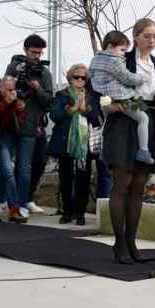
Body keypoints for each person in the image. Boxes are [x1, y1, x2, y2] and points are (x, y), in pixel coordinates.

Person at [102, 18, 155, 264]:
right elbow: (103, 91)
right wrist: (111, 105)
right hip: (123, 124)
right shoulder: (122, 60)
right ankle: (119, 242)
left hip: (148, 123)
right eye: (146, 36)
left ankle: (132, 242)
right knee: (122, 183)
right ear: (136, 36)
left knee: (139, 186)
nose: (151, 41)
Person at [3, 35, 54, 217]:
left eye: (40, 53)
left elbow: (49, 101)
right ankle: (7, 203)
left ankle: (23, 203)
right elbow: (4, 90)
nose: (36, 57)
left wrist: (36, 88)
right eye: (33, 52)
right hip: (10, 124)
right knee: (6, 167)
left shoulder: (44, 73)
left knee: (25, 168)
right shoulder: (14, 67)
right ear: (25, 50)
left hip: (31, 126)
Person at [90, 31, 155, 165]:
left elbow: (91, 78)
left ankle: (103, 151)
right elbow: (127, 77)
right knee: (144, 117)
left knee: (106, 124)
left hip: (105, 98)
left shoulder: (95, 60)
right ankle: (143, 151)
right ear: (109, 47)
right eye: (121, 50)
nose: (123, 53)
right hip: (121, 98)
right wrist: (143, 78)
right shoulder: (114, 61)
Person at [50, 64, 103, 225]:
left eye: (83, 78)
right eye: (76, 77)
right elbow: (55, 115)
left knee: (83, 178)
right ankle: (67, 212)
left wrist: (85, 109)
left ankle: (80, 213)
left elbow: (98, 118)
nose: (80, 80)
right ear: (70, 78)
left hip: (85, 143)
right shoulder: (61, 94)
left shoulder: (93, 96)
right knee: (65, 177)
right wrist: (72, 109)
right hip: (66, 142)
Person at [0, 77, 28, 223]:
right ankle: (6, 206)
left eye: (13, 89)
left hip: (3, 137)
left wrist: (20, 109)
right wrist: (6, 102)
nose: (11, 93)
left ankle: (11, 208)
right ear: (1, 88)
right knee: (5, 171)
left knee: (7, 170)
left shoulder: (13, 98)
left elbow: (17, 121)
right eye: (8, 90)